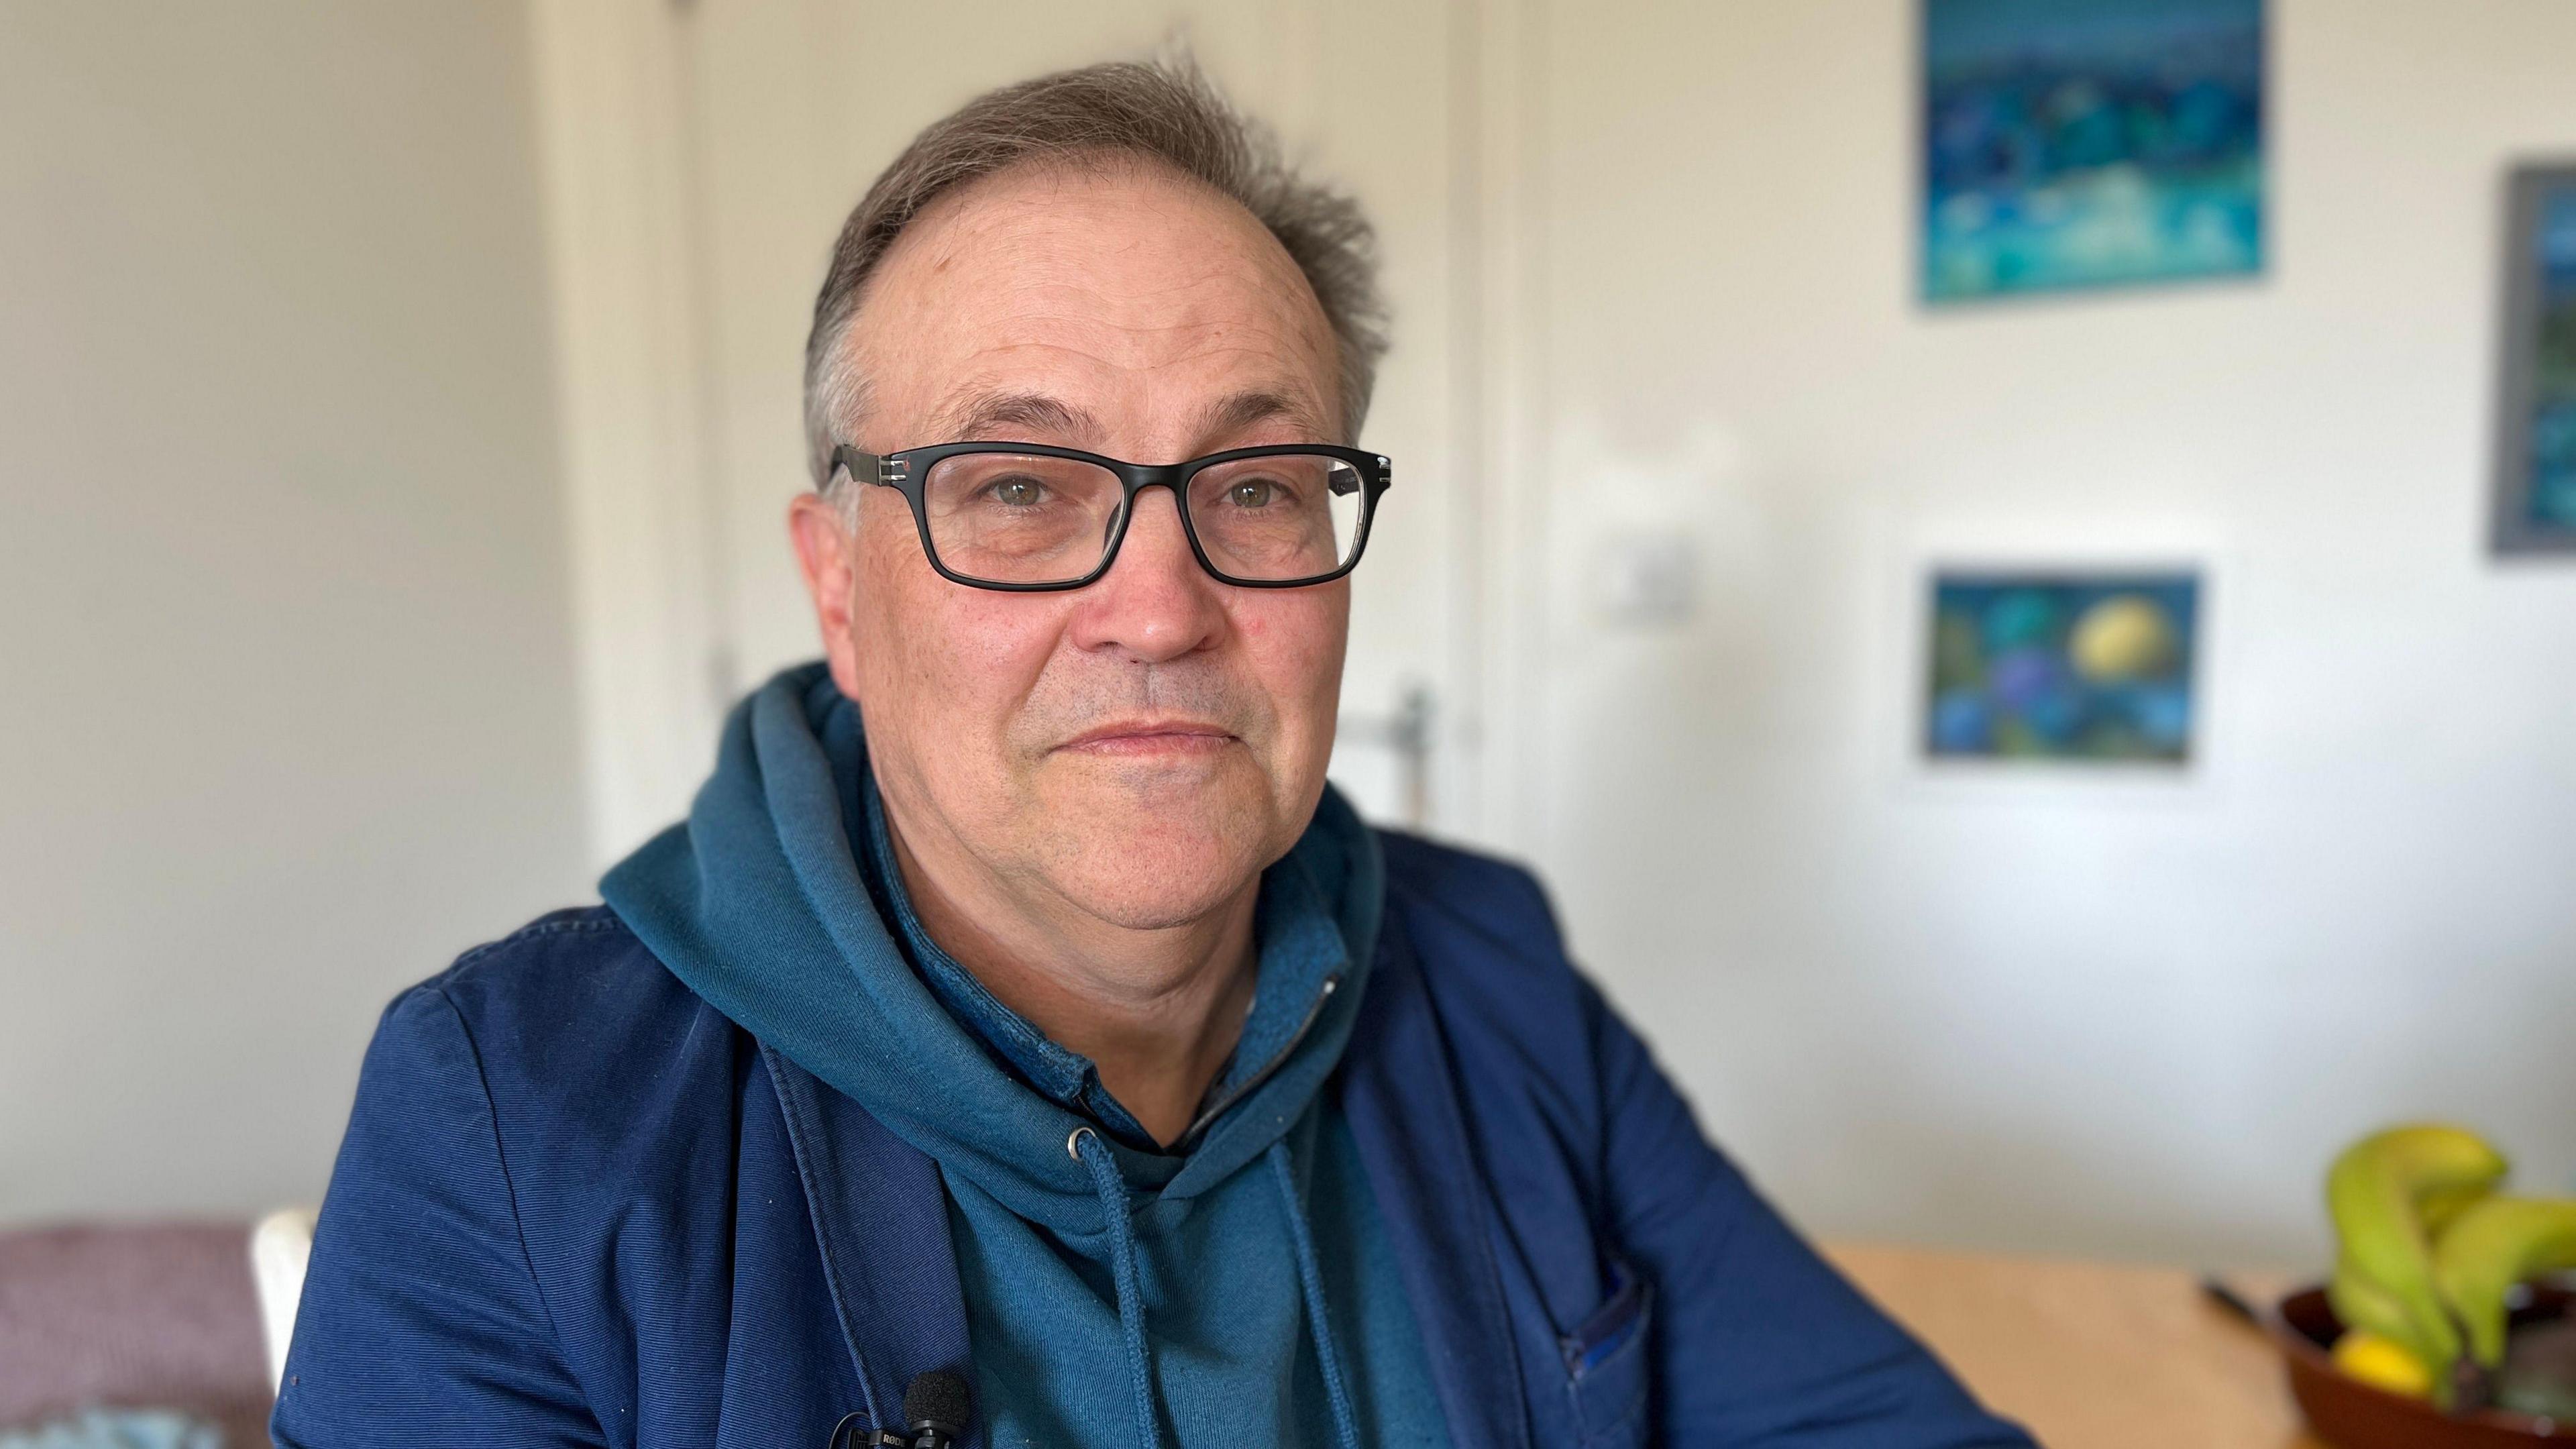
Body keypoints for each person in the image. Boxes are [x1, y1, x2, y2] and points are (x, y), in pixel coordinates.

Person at [274, 59, 2035, 1449]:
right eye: (1023, 489)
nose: (1159, 606)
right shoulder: (516, 1115)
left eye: (1254, 486)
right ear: (840, 590)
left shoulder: (1494, 981)